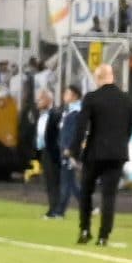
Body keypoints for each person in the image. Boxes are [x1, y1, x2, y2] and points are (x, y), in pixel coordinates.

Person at [74, 63, 132, 246]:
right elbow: (129, 128)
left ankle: (85, 229)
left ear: (98, 78)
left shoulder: (92, 98)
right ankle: (104, 236)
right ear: (112, 76)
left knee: (86, 192)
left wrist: (74, 149)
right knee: (109, 196)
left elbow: (81, 126)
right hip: (117, 153)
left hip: (94, 152)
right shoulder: (126, 99)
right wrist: (120, 144)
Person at [51, 86, 83, 218]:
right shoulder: (68, 111)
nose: (64, 95)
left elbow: (75, 133)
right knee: (71, 183)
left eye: (67, 93)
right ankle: (87, 206)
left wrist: (69, 149)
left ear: (74, 95)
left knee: (67, 181)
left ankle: (60, 211)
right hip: (64, 149)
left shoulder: (76, 112)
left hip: (68, 151)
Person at [36, 88, 65, 217]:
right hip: (44, 151)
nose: (38, 101)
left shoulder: (56, 114)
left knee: (54, 182)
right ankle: (52, 208)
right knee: (48, 182)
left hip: (53, 152)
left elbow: (58, 134)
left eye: (41, 99)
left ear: (49, 100)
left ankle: (56, 210)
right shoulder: (41, 115)